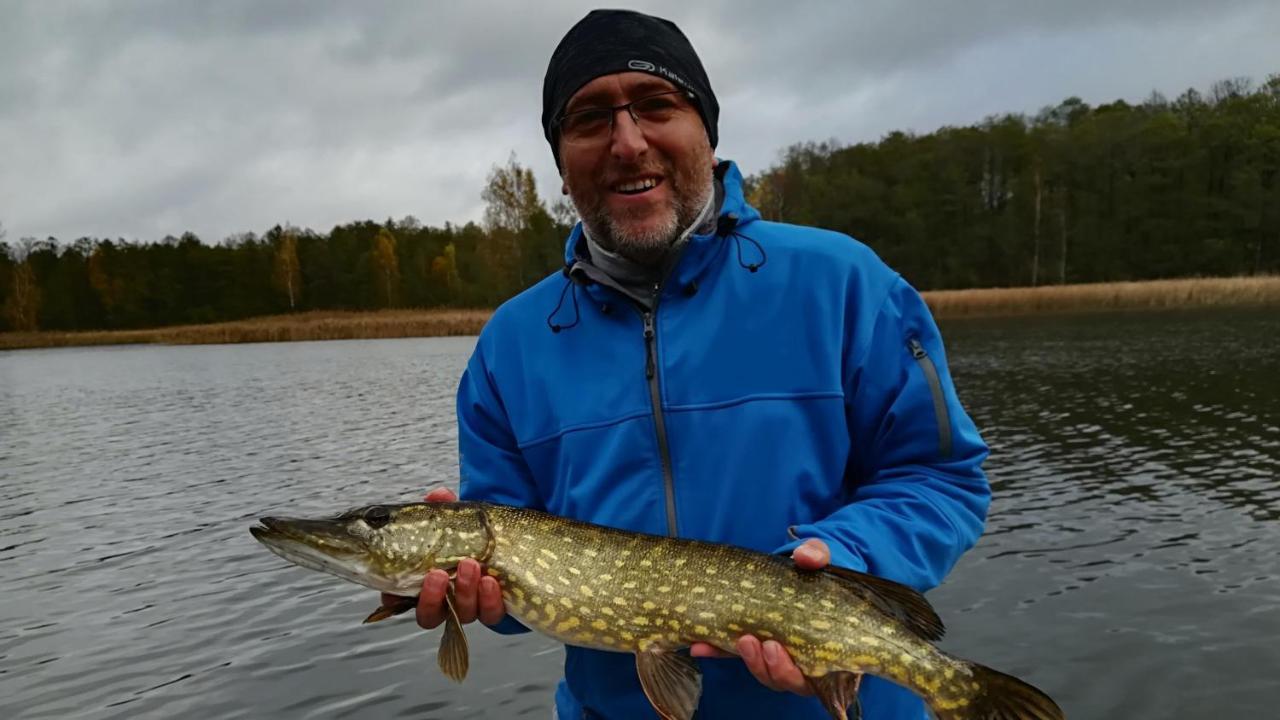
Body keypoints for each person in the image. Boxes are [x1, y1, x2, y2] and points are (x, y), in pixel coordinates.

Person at [388, 9, 991, 719]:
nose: (627, 142)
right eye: (588, 120)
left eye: (655, 106)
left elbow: (940, 478)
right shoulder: (509, 347)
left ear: (707, 131)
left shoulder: (844, 283)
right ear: (558, 163)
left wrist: (846, 562)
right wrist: (478, 596)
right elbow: (524, 599)